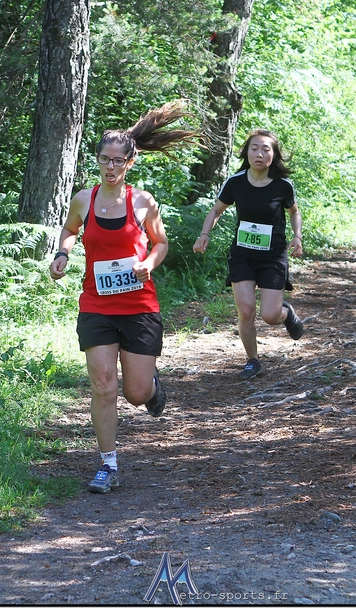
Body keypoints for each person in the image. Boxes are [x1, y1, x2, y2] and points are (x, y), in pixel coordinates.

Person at [49, 101, 198, 495]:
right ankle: (108, 464)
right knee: (103, 385)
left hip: (138, 306)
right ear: (98, 160)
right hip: (96, 305)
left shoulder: (143, 202)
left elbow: (161, 243)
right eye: (105, 159)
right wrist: (62, 253)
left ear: (130, 163)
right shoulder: (84, 199)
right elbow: (70, 230)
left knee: (135, 393)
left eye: (118, 160)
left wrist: (149, 262)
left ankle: (151, 388)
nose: (110, 166)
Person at [192, 130, 305, 380]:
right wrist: (204, 234)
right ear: (247, 152)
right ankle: (252, 361)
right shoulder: (236, 182)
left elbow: (294, 212)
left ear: (273, 155)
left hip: (273, 256)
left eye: (265, 149)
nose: (259, 154)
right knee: (246, 311)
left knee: (270, 315)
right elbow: (216, 210)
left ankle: (286, 313)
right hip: (242, 255)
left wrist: (297, 236)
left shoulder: (282, 185)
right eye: (254, 148)